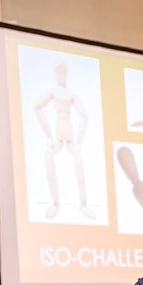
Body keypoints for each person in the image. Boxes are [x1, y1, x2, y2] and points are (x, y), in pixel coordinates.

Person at [35, 61, 94, 220]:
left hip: (69, 129)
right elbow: (38, 107)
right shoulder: (53, 91)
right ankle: (55, 202)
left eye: (63, 72)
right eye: (59, 72)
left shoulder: (71, 94)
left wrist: (79, 140)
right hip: (57, 128)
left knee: (78, 161)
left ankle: (83, 204)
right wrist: (48, 134)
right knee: (49, 156)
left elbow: (85, 115)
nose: (61, 75)